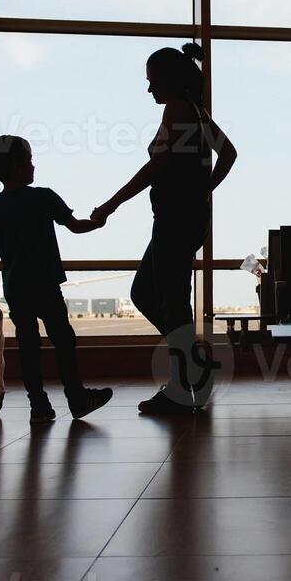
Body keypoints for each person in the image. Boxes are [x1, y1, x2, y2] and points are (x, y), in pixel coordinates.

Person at [93, 43, 237, 414]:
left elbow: (155, 168)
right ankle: (193, 367)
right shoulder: (198, 112)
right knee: (149, 293)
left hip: (175, 218)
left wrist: (112, 204)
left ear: (169, 79)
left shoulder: (176, 110)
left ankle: (181, 384)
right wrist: (205, 190)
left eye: (152, 80)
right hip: (186, 217)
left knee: (170, 302)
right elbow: (229, 154)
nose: (149, 89)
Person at [0, 135, 113, 425]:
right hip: (45, 284)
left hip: (15, 288)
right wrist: (100, 220)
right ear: (16, 167)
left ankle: (38, 405)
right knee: (63, 340)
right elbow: (76, 227)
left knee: (28, 346)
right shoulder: (43, 197)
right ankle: (76, 398)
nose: (33, 165)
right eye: (28, 160)